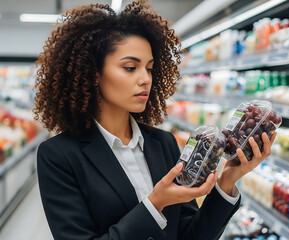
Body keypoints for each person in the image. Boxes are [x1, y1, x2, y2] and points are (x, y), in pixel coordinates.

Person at [34, 1, 276, 240]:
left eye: (149, 68)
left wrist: (227, 181)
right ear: (94, 73)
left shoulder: (163, 143)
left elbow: (190, 235)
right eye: (130, 67)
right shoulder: (58, 156)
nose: (145, 79)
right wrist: (155, 204)